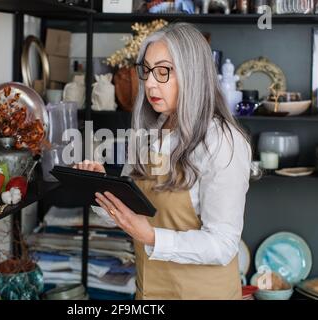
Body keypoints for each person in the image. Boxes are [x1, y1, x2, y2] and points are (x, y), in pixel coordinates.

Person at [74, 23, 252, 300]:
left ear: (192, 74)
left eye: (164, 71)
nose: (150, 83)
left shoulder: (223, 142)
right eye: (147, 71)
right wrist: (102, 190)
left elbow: (223, 245)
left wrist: (152, 237)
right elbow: (131, 217)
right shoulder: (148, 133)